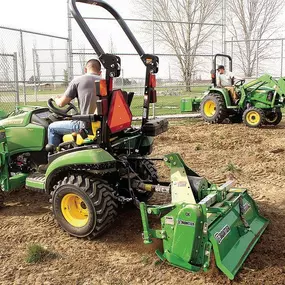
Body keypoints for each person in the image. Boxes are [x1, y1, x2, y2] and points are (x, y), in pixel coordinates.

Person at [48, 59, 102, 146]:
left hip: (84, 125)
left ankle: (52, 156)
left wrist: (55, 98)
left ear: (85, 70)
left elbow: (61, 104)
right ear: (100, 72)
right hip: (100, 124)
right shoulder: (104, 82)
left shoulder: (78, 81)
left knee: (52, 128)